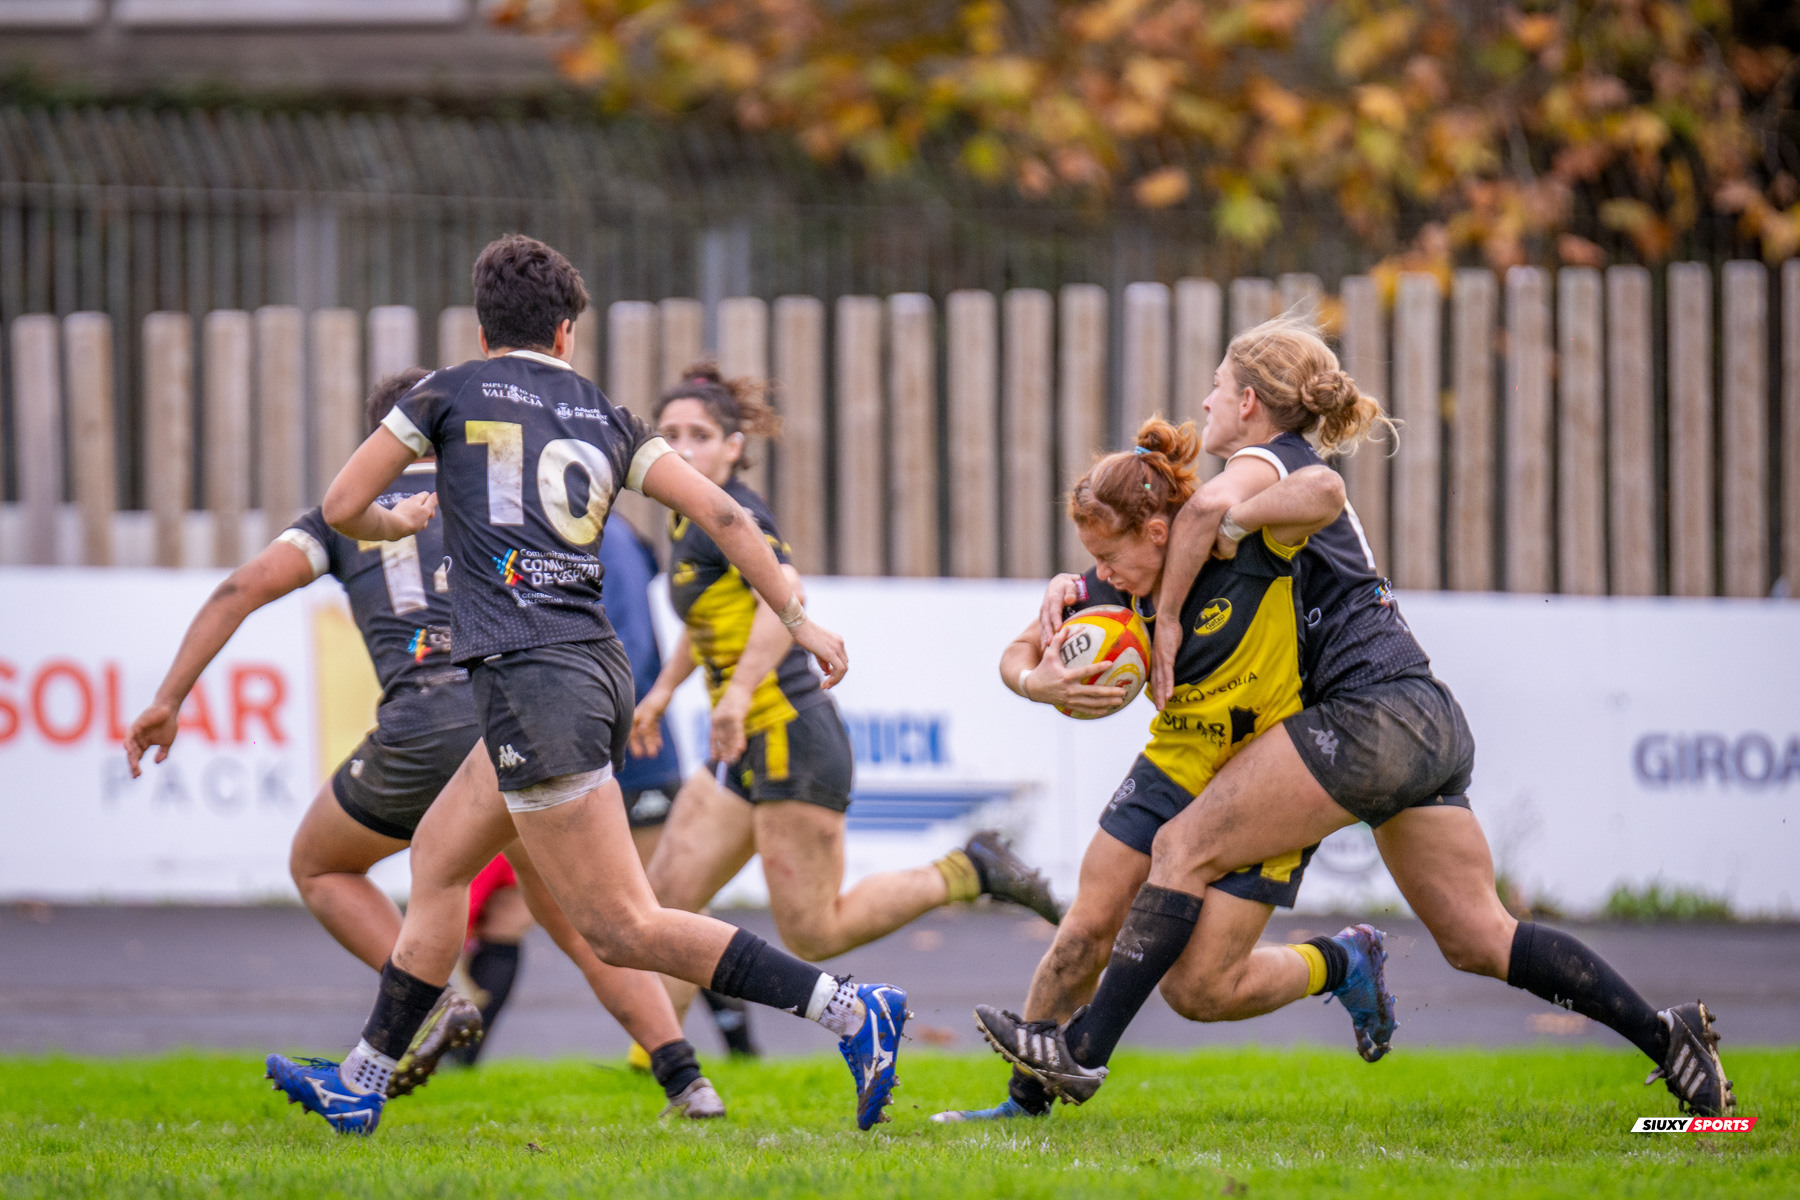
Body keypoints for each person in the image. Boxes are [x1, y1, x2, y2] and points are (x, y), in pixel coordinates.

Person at [1007, 316, 1735, 1117]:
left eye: (1216, 387)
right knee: (1481, 938)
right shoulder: (1267, 477)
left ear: (1249, 403)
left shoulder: (1263, 461)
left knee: (1179, 846)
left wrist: (1177, 606)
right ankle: (1666, 1034)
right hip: (1425, 713)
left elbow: (1254, 499)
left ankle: (1081, 1052)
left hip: (1367, 712)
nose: (1205, 402)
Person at [265, 234, 907, 1136]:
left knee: (622, 926)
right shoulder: (607, 415)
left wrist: (394, 522)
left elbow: (341, 507)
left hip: (534, 682)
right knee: (440, 859)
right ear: (566, 331)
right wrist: (800, 619)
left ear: (481, 328)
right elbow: (724, 513)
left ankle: (849, 1008)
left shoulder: (445, 392)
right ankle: (360, 1080)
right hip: (590, 669)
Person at [124, 369, 723, 1117]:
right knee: (582, 921)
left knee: (320, 864)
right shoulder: (491, 494)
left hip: (426, 725)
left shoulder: (347, 514)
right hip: (520, 714)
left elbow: (240, 589)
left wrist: (168, 699)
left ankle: (435, 1002)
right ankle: (687, 1080)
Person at [937, 419, 1389, 1118]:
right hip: (1173, 761)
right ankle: (1023, 1104)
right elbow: (1017, 655)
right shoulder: (1107, 588)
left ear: (1156, 531)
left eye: (1106, 554)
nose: (1101, 570)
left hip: (1267, 776)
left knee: (1200, 990)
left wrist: (1230, 516)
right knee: (1083, 931)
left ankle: (1344, 961)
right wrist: (1037, 682)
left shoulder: (1248, 549)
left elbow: (1325, 490)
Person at [629, 365, 1062, 1029]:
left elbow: (785, 595)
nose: (683, 449)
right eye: (671, 435)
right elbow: (707, 620)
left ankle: (970, 869)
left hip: (790, 735)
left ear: (734, 447)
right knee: (665, 901)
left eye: (701, 436)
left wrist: (737, 694)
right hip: (745, 740)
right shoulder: (689, 519)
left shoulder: (736, 512)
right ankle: (668, 1068)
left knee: (813, 932)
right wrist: (661, 693)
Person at [600, 508, 758, 1061]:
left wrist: (624, 710)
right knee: (660, 905)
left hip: (632, 744)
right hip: (607, 738)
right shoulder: (595, 531)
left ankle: (689, 1050)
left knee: (670, 905)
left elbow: (630, 639)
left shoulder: (607, 535)